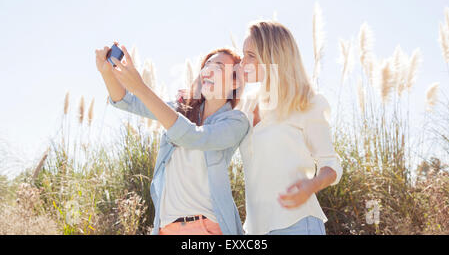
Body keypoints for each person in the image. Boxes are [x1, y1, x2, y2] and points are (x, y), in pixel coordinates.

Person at [95, 43, 249, 235]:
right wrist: (106, 72)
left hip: (207, 228)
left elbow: (192, 136)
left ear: (235, 82)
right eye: (206, 66)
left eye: (217, 67)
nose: (207, 71)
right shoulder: (181, 110)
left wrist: (141, 88)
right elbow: (127, 102)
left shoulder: (235, 122)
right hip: (166, 228)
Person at [237, 20, 343, 235]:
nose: (241, 62)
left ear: (273, 57)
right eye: (242, 54)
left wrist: (311, 186)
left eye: (251, 55)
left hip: (297, 223)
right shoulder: (245, 104)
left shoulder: (308, 103)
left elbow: (331, 163)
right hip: (256, 230)